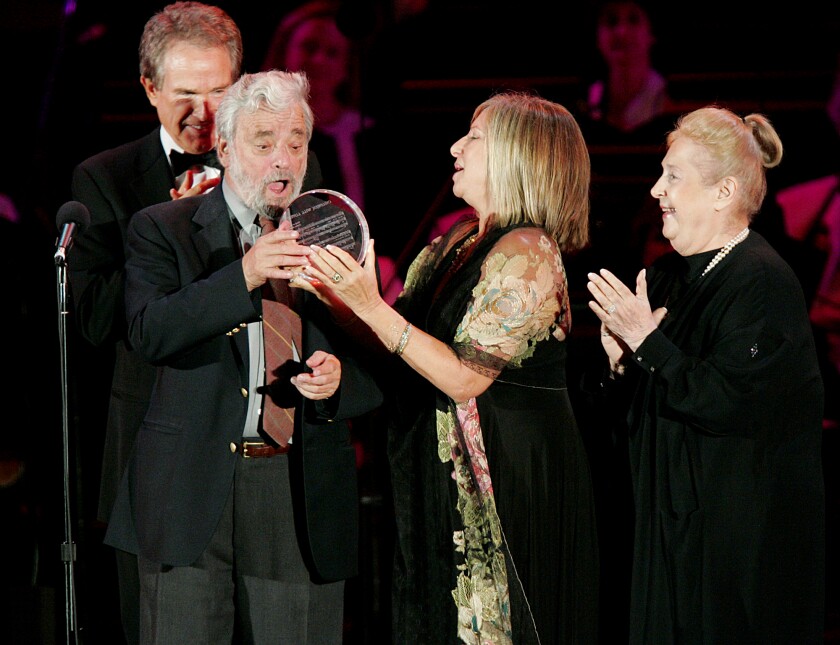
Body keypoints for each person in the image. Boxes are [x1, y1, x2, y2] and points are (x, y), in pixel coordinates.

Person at [298, 91, 600, 643]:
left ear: (519, 156)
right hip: (436, 474)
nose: (456, 146)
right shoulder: (461, 237)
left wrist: (367, 305)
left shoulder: (528, 250)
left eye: (476, 137)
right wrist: (337, 300)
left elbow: (464, 376)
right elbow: (402, 348)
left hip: (506, 481)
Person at [105, 69, 382, 643]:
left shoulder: (334, 233)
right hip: (189, 491)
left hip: (295, 490)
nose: (283, 160)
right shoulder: (165, 228)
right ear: (226, 148)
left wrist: (337, 384)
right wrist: (246, 273)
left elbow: (378, 362)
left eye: (297, 142)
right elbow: (148, 331)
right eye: (264, 143)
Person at [586, 106, 825, 643]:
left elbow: (728, 400)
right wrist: (621, 363)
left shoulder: (762, 283)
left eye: (673, 177)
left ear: (723, 193)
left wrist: (648, 343)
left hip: (729, 559)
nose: (654, 190)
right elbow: (650, 408)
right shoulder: (669, 275)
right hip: (668, 539)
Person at [66, 3, 244, 641]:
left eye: (221, 91)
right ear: (149, 89)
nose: (205, 113)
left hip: (261, 444)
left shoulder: (283, 165)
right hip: (156, 444)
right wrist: (170, 234)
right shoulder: (106, 179)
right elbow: (89, 320)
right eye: (186, 94)